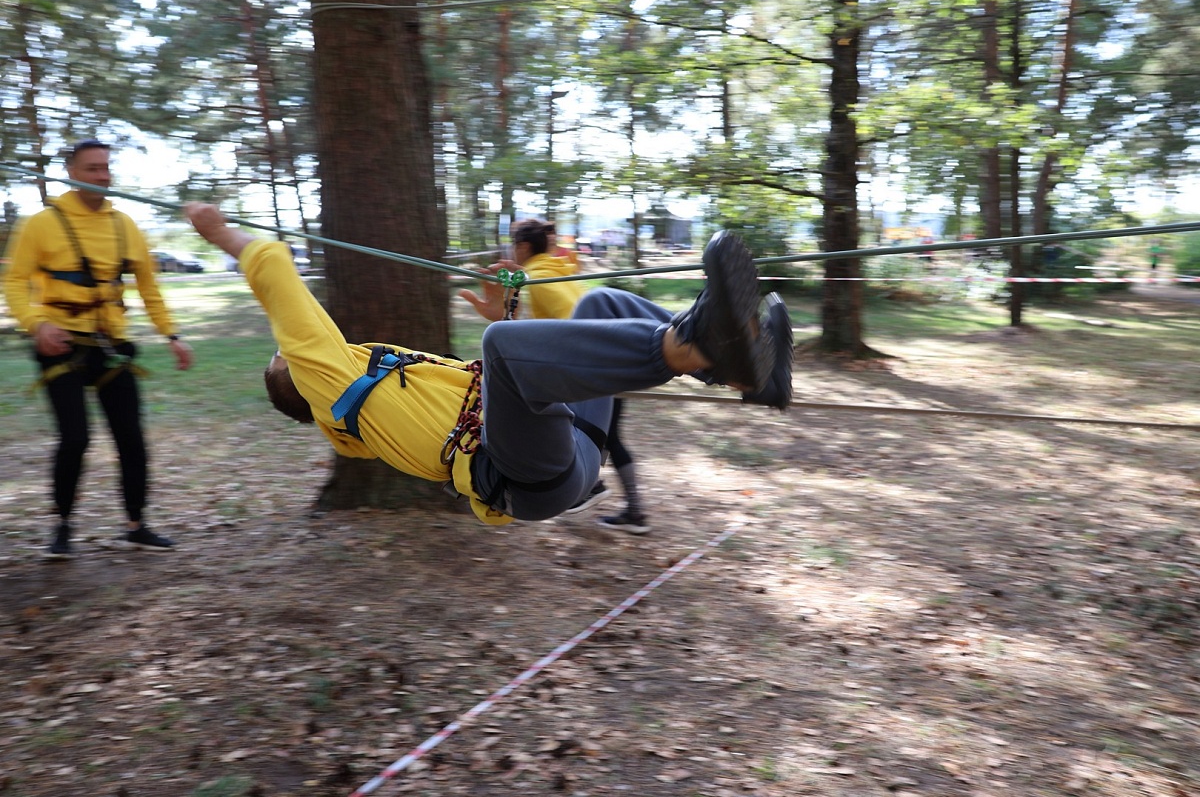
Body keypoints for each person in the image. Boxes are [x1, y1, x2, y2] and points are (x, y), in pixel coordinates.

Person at [184, 202, 792, 525]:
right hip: (532, 478)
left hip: (568, 445)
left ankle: (740, 371)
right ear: (300, 372)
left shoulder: (374, 392)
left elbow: (489, 395)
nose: (307, 342)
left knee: (598, 303)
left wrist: (505, 312)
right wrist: (222, 235)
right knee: (503, 344)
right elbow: (277, 275)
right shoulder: (328, 382)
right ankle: (697, 344)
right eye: (292, 352)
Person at [3, 140, 195, 558]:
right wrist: (37, 325)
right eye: (92, 168)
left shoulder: (125, 225)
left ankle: (136, 525)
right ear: (71, 172)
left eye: (106, 167)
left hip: (112, 347)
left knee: (131, 438)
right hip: (61, 345)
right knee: (75, 438)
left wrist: (172, 335)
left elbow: (149, 287)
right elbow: (14, 281)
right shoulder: (41, 224)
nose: (102, 176)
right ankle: (62, 525)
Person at [460, 219, 647, 534]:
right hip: (609, 361)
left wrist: (504, 321)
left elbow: (543, 337)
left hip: (589, 369)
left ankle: (597, 490)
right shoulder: (560, 271)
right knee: (609, 436)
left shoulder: (536, 280)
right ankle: (629, 508)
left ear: (523, 247)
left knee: (576, 427)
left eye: (513, 246)